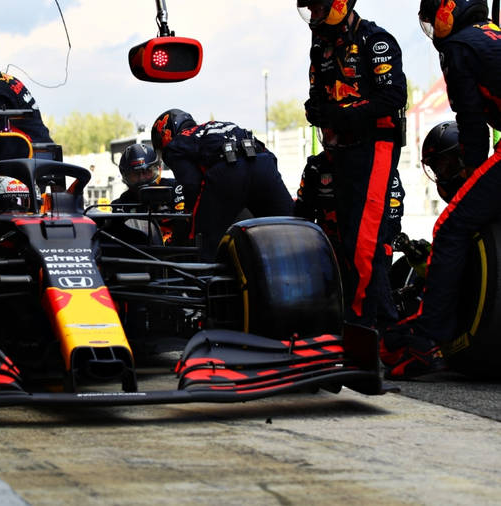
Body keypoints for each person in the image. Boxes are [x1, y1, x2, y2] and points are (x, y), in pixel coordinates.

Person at [384, 0, 499, 379]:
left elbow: (472, 123)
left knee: (450, 227)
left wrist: (470, 174)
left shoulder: (459, 46)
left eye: (433, 17)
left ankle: (428, 337)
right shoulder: (492, 35)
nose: (433, 27)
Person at [298, 0, 408, 330]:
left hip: (376, 147)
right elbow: (318, 92)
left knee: (364, 245)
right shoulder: (321, 48)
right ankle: (385, 331)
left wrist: (344, 116)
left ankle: (366, 327)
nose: (314, 16)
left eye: (318, 8)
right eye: (310, 10)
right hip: (341, 150)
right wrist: (315, 109)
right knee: (350, 243)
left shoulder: (376, 41)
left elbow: (393, 98)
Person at [151, 109, 293, 260]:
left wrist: (192, 222)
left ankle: (204, 279)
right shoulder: (222, 126)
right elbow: (269, 156)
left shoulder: (176, 144)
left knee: (203, 244)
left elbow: (192, 185)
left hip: (227, 172)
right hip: (263, 165)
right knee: (292, 230)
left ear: (165, 134)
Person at [112, 143, 187, 245]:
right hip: (140, 256)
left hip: (179, 253)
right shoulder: (120, 205)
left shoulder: (176, 189)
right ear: (125, 176)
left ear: (158, 169)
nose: (142, 178)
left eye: (147, 171)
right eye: (135, 174)